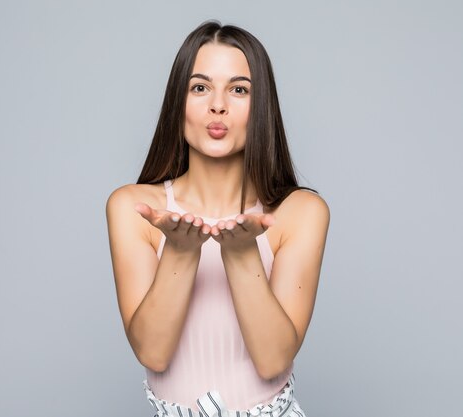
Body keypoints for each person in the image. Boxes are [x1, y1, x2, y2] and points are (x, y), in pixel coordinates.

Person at [106, 20, 329, 417]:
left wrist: (243, 254)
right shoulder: (133, 208)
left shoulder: (300, 212)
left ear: (261, 106)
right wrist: (180, 250)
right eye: (200, 87)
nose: (218, 105)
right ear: (179, 102)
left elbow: (273, 360)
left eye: (239, 89)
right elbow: (152, 354)